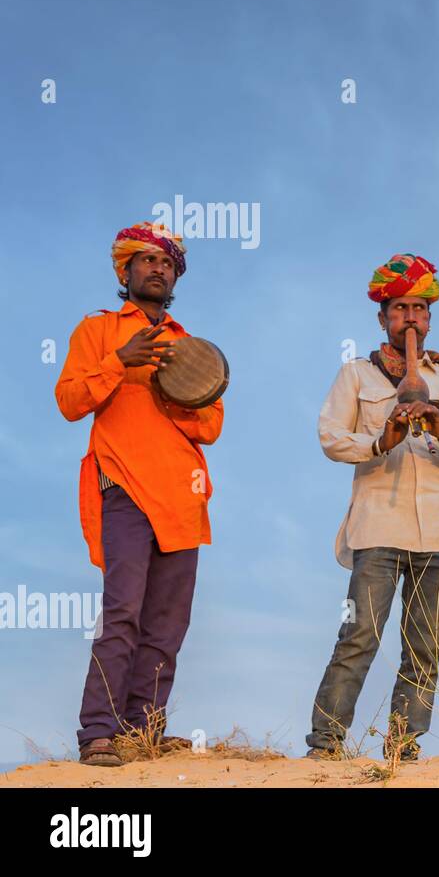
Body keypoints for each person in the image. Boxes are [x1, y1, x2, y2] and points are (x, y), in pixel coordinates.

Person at [56, 222, 224, 767]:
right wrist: (119, 362)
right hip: (124, 489)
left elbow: (210, 424)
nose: (157, 268)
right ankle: (98, 733)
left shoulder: (187, 343)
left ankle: (142, 730)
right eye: (146, 260)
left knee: (168, 624)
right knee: (122, 613)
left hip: (181, 497)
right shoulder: (98, 330)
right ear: (124, 271)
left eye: (167, 262)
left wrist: (171, 393)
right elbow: (69, 401)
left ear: (176, 275)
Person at [306, 253, 439, 762]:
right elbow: (330, 437)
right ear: (383, 317)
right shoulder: (357, 375)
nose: (409, 317)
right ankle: (325, 745)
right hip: (377, 527)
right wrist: (380, 441)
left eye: (418, 308)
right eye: (399, 308)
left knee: (424, 644)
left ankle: (402, 748)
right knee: (358, 635)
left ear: (429, 318)